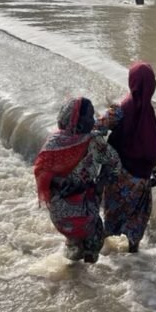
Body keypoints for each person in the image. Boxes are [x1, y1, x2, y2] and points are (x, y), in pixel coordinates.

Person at [97, 61, 156, 253]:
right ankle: (134, 256)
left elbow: (97, 128)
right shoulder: (147, 111)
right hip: (141, 177)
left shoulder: (121, 108)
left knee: (112, 215)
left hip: (118, 174)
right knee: (137, 217)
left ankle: (98, 251)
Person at [34, 97, 121, 263]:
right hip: (85, 208)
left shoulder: (54, 142)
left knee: (74, 243)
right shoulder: (94, 142)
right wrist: (101, 183)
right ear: (77, 121)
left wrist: (59, 182)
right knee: (94, 239)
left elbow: (40, 170)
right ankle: (86, 282)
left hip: (60, 215)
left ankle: (73, 272)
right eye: (88, 116)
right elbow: (115, 163)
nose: (93, 120)